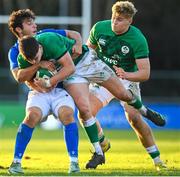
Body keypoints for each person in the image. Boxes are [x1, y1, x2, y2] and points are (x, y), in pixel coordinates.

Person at [18, 29, 165, 169]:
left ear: (39, 46)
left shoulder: (49, 40)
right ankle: (98, 152)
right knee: (83, 109)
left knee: (124, 95)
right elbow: (21, 77)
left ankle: (144, 111)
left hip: (87, 62)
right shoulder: (24, 56)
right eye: (31, 60)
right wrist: (38, 70)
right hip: (73, 76)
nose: (34, 61)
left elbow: (69, 67)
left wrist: (49, 82)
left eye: (37, 57)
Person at [86, 0, 167, 171]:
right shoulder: (100, 28)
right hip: (104, 76)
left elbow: (145, 73)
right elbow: (88, 51)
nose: (115, 22)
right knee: (85, 112)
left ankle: (157, 160)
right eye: (114, 18)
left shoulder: (137, 39)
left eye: (120, 19)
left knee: (134, 119)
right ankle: (102, 144)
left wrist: (126, 74)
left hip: (127, 78)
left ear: (130, 21)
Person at [8, 9, 81, 174]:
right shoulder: (14, 52)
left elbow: (73, 33)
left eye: (33, 22)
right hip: (38, 91)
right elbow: (19, 77)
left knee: (68, 115)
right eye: (29, 23)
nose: (34, 25)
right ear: (19, 30)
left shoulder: (46, 35)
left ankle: (74, 162)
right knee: (31, 117)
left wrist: (77, 44)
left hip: (61, 89)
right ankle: (16, 162)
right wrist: (38, 64)